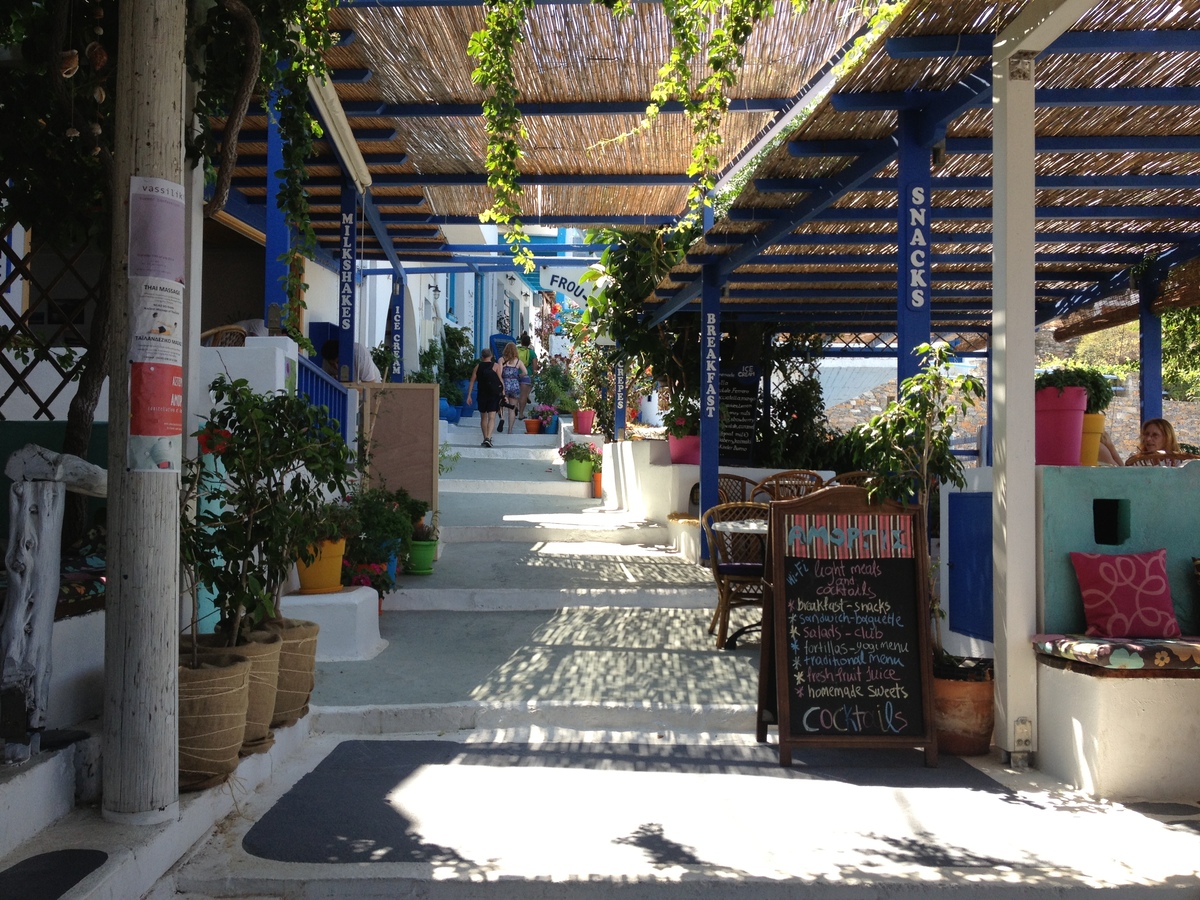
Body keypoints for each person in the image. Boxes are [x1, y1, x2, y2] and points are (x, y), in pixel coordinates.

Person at [1097, 418, 1179, 466]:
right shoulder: (1137, 461)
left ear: (1167, 438)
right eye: (1146, 434)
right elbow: (1125, 477)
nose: (1148, 439)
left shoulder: (1179, 462)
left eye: (1155, 435)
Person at [467, 347, 503, 447]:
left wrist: (469, 395)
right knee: (492, 417)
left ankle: (485, 438)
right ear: (491, 356)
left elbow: (472, 381)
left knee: (483, 417)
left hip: (482, 394)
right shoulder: (495, 366)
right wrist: (503, 393)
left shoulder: (477, 367)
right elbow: (500, 380)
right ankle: (488, 438)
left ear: (482, 357)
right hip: (493, 394)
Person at [498, 341, 527, 435]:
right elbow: (525, 372)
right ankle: (510, 430)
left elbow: (499, 373)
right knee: (512, 409)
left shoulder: (501, 360)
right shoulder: (518, 362)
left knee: (502, 404)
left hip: (504, 384)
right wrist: (518, 376)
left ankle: (502, 418)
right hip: (515, 385)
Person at [515, 332, 538, 419]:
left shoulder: (516, 351)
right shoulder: (531, 353)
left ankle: (515, 407)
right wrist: (534, 374)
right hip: (526, 375)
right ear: (529, 343)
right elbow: (535, 366)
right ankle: (521, 414)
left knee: (515, 394)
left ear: (521, 342)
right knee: (523, 395)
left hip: (516, 374)